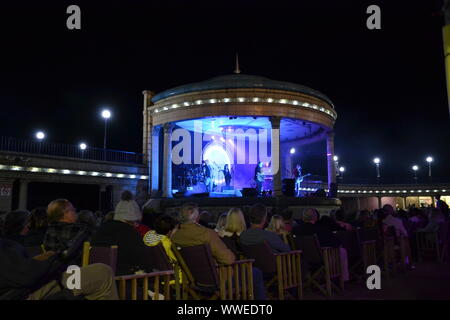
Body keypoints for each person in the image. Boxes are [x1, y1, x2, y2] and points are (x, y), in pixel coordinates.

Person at [0, 238, 118, 300]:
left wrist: (38, 259)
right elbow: (24, 276)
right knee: (102, 273)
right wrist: (53, 260)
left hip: (31, 282)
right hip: (27, 290)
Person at [91, 205, 155, 276]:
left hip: (97, 278)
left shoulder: (101, 229)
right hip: (123, 281)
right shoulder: (130, 233)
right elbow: (145, 263)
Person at [293, 208, 349, 281]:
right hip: (321, 258)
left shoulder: (295, 230)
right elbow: (336, 243)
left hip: (302, 257)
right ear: (316, 217)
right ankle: (342, 279)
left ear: (303, 218)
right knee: (342, 251)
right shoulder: (321, 229)